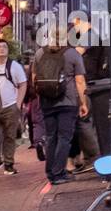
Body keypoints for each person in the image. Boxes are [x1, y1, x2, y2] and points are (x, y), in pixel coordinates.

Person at [33, 31, 88, 186]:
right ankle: (58, 173)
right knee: (64, 138)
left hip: (46, 102)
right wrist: (82, 103)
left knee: (51, 137)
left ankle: (50, 172)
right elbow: (79, 81)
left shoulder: (39, 53)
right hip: (67, 101)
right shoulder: (72, 54)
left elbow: (34, 79)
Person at [0, 39, 27, 175]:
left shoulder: (14, 66)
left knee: (9, 136)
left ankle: (9, 163)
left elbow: (23, 84)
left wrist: (18, 103)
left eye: (4, 47)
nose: (1, 49)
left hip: (10, 106)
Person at [68, 40, 101, 174]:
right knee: (84, 124)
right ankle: (92, 157)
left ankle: (86, 158)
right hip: (79, 90)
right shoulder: (77, 50)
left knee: (78, 126)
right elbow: (80, 79)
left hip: (65, 94)